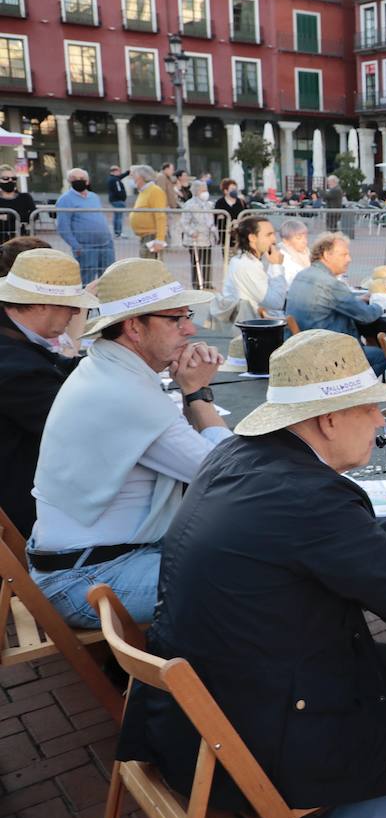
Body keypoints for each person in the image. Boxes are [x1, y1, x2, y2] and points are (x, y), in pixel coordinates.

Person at [116, 329, 386, 818]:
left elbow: (334, 534)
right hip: (248, 745)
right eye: (370, 409)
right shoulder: (313, 498)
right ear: (330, 419)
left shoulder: (239, 457)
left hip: (187, 722)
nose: (381, 423)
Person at [28, 258, 225, 625]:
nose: (190, 328)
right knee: (261, 577)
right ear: (135, 327)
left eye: (187, 315)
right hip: (87, 577)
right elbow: (229, 473)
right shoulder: (125, 391)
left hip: (85, 561)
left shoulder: (108, 366)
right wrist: (197, 393)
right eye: (176, 319)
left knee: (248, 545)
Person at [0, 249, 96, 538]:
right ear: (42, 304)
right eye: (71, 304)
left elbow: (55, 363)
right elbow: (81, 432)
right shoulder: (14, 367)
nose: (77, 313)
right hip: (22, 516)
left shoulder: (14, 340)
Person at [286, 233, 386, 374]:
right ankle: (350, 390)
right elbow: (366, 316)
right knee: (382, 356)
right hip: (328, 355)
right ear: (327, 255)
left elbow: (325, 303)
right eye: (344, 254)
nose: (349, 259)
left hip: (303, 348)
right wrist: (381, 301)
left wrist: (357, 301)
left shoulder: (303, 275)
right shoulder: (331, 284)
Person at [214, 215, 288, 323]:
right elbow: (276, 302)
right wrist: (276, 265)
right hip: (248, 329)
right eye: (268, 235)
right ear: (252, 238)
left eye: (274, 234)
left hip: (250, 323)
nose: (274, 240)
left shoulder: (246, 261)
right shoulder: (246, 265)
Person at [56, 167, 116, 283]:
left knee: (108, 278)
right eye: (74, 178)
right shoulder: (65, 199)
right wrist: (75, 245)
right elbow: (63, 226)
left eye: (82, 178)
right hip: (85, 247)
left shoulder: (94, 197)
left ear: (87, 181)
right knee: (86, 280)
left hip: (106, 244)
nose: (79, 180)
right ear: (69, 181)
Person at [180, 179, 216, 290]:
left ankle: (207, 282)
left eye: (205, 189)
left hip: (207, 238)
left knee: (207, 262)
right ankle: (197, 284)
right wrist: (191, 232)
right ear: (196, 191)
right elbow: (184, 222)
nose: (205, 192)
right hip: (195, 239)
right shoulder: (189, 205)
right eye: (202, 189)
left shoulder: (208, 204)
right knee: (196, 262)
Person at [129, 165, 169, 260]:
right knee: (146, 267)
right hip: (145, 236)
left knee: (151, 269)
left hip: (152, 237)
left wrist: (159, 239)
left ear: (140, 178)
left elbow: (160, 216)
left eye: (134, 177)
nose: (133, 180)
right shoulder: (144, 192)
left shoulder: (155, 191)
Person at [0, 164, 36, 240]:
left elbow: (34, 214)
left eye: (13, 178)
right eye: (6, 178)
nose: (10, 181)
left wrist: (8, 217)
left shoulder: (25, 197)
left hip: (20, 238)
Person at [214, 178, 247, 248]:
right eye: (232, 189)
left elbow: (247, 215)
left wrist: (239, 221)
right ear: (225, 191)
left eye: (235, 188)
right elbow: (217, 219)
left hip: (240, 236)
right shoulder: (220, 203)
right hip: (226, 236)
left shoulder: (241, 202)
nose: (234, 191)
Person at [278, 218, 311, 285]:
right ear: (286, 241)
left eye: (305, 237)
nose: (304, 241)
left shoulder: (306, 253)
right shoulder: (283, 260)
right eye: (299, 238)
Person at [106, 165, 129, 238]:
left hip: (113, 200)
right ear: (115, 171)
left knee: (116, 216)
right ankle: (119, 232)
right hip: (118, 200)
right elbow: (119, 190)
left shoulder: (111, 178)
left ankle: (116, 232)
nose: (120, 172)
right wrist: (122, 198)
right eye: (119, 171)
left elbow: (120, 177)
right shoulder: (115, 180)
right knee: (119, 217)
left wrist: (127, 173)